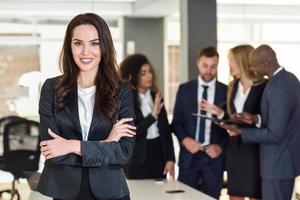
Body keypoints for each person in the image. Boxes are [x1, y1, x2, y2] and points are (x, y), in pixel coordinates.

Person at [37, 13, 136, 200]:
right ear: (69, 46)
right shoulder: (51, 88)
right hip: (65, 191)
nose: (85, 52)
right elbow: (52, 152)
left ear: (104, 47)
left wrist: (72, 145)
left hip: (111, 192)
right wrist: (105, 145)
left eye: (94, 43)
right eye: (78, 43)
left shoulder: (121, 91)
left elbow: (124, 152)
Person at [222, 44, 300, 200]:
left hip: (276, 165)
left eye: (253, 64)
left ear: (266, 64)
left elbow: (275, 133)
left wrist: (242, 132)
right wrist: (255, 118)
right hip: (284, 162)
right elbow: (282, 119)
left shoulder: (278, 86)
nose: (251, 68)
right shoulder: (289, 79)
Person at [201, 45, 267, 200]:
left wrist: (253, 119)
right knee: (234, 194)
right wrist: (220, 113)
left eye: (232, 61)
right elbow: (233, 115)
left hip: (254, 150)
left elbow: (267, 118)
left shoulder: (263, 86)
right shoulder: (233, 86)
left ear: (242, 61)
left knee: (255, 194)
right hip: (234, 150)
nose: (230, 65)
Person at [171, 46, 228, 198]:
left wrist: (220, 148)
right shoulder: (184, 89)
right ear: (198, 63)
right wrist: (185, 140)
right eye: (205, 66)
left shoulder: (226, 91)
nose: (209, 70)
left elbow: (232, 125)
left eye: (213, 66)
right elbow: (176, 122)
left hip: (214, 159)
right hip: (189, 157)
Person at [119, 54, 175, 179]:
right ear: (132, 76)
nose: (149, 76)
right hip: (137, 158)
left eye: (150, 71)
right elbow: (131, 132)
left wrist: (170, 159)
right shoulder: (126, 100)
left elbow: (166, 131)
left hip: (158, 154)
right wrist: (153, 115)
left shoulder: (157, 97)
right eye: (143, 73)